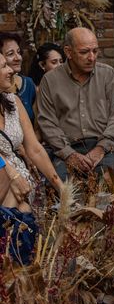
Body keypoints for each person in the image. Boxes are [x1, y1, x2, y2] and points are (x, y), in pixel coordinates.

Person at [36, 27, 114, 182]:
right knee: (62, 186)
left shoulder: (108, 75)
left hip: (106, 147)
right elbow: (47, 123)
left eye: (95, 51)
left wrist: (100, 149)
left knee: (109, 182)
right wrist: (69, 154)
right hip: (67, 148)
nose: (91, 57)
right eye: (84, 52)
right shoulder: (50, 81)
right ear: (68, 52)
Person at [0, 53, 65, 263]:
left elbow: (34, 149)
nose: (11, 70)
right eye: (3, 67)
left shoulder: (13, 101)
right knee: (15, 192)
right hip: (5, 175)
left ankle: (16, 263)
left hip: (18, 180)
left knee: (22, 205)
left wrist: (60, 186)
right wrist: (12, 173)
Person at [0, 33, 36, 122]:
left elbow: (37, 126)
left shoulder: (28, 84)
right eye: (10, 54)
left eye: (19, 52)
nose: (18, 58)